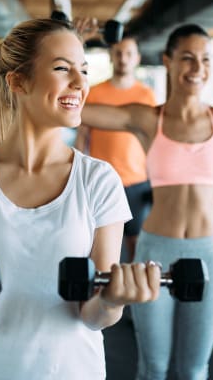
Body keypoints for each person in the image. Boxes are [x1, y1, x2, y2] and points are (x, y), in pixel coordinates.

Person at [0, 18, 162, 380]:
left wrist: (114, 299)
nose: (81, 83)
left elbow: (93, 315)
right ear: (17, 81)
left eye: (83, 69)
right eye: (62, 69)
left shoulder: (99, 181)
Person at [80, 22, 213, 379]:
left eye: (206, 59)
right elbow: (74, 107)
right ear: (168, 61)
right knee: (153, 367)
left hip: (208, 251)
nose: (197, 68)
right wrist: (74, 43)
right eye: (188, 58)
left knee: (194, 369)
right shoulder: (147, 118)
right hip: (155, 252)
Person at [74, 30, 156, 261]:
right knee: (96, 242)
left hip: (136, 182)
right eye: (118, 53)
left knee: (134, 242)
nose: (123, 58)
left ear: (137, 58)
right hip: (101, 180)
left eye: (129, 53)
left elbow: (153, 140)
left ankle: (130, 294)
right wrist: (78, 175)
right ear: (111, 56)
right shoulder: (96, 92)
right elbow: (82, 136)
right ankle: (95, 293)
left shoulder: (146, 95)